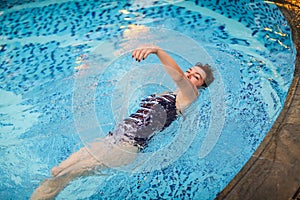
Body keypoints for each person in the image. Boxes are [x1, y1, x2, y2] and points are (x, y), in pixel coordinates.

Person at [30, 45, 214, 199]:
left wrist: (157, 50)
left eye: (196, 77)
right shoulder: (167, 94)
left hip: (127, 147)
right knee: (57, 171)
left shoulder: (189, 96)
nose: (189, 76)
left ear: (201, 87)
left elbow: (178, 77)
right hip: (112, 138)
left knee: (65, 177)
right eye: (189, 72)